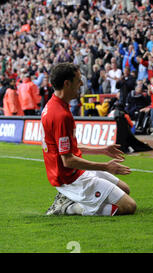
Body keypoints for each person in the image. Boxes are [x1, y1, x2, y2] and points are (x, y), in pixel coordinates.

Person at [43, 63, 136, 216]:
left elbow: (68, 147)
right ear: (67, 83)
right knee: (128, 207)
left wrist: (102, 150)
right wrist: (105, 166)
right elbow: (67, 160)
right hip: (69, 177)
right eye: (78, 80)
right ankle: (68, 207)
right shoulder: (60, 115)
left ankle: (75, 199)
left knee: (125, 189)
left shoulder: (55, 105)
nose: (81, 84)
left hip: (74, 171)